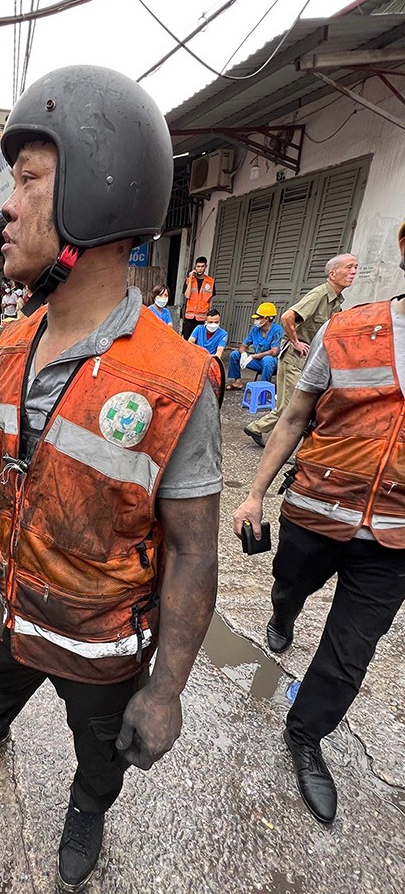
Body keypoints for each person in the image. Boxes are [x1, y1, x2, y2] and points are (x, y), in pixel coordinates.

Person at [0, 66, 223, 893]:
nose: (3, 206)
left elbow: (197, 554)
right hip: (19, 595)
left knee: (100, 749)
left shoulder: (176, 382)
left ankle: (88, 806)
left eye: (27, 180)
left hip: (99, 642)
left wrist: (165, 693)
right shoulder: (12, 345)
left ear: (98, 193)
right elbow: (5, 460)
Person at [232, 219, 405, 828]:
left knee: (350, 652)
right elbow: (294, 415)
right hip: (315, 511)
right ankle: (283, 613)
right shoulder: (349, 328)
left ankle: (305, 735)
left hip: (395, 539)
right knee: (289, 584)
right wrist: (254, 495)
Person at [243, 255, 357, 447]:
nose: (353, 272)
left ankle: (257, 427)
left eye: (356, 267)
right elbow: (287, 317)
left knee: (293, 405)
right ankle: (277, 446)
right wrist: (296, 342)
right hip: (294, 357)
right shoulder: (319, 294)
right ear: (332, 273)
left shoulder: (335, 300)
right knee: (293, 408)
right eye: (349, 267)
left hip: (308, 359)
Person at [226, 303, 283, 390]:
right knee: (234, 354)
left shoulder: (277, 330)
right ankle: (237, 382)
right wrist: (243, 353)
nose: (255, 320)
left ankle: (263, 387)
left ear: (267, 318)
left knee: (267, 360)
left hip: (271, 363)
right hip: (257, 361)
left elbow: (274, 351)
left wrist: (254, 356)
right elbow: (243, 345)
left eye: (258, 318)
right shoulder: (255, 329)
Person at [181, 256, 215, 339]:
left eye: (202, 266)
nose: (200, 269)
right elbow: (187, 295)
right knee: (187, 340)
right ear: (195, 267)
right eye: (198, 266)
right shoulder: (189, 280)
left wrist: (209, 318)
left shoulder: (210, 282)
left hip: (202, 318)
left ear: (205, 267)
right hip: (189, 317)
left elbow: (210, 301)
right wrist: (190, 279)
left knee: (199, 341)